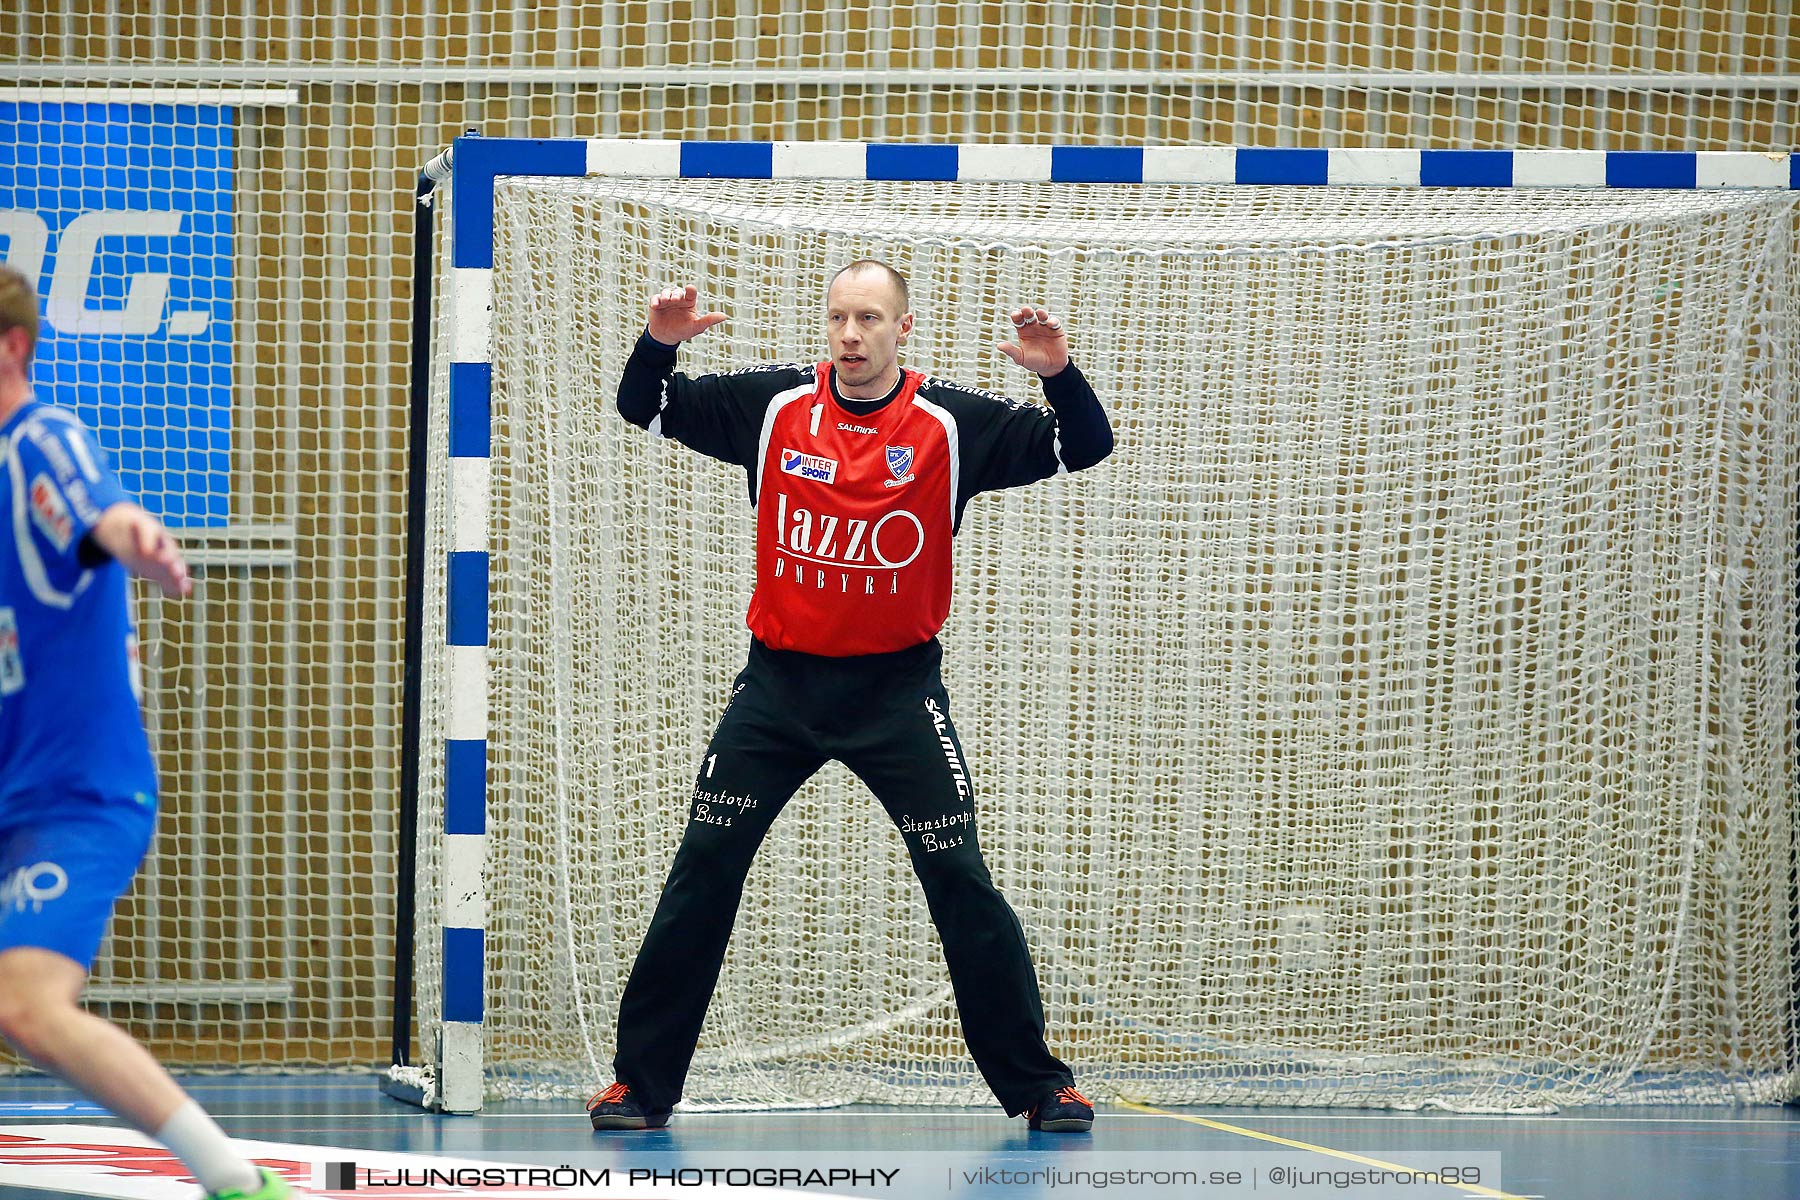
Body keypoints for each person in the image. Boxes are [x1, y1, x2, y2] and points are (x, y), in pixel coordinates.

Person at [586, 260, 1113, 1134]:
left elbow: (1083, 447)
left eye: (869, 318)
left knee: (959, 878)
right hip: (778, 690)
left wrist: (1058, 372)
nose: (850, 335)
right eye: (837, 318)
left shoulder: (951, 422)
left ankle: (1039, 1085)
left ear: (903, 329)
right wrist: (660, 344)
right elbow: (644, 405)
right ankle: (638, 1087)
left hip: (895, 697)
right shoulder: (776, 407)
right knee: (704, 873)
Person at [0, 263, 290, 1200]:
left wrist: (140, 536)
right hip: (14, 791)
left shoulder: (39, 441)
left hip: (72, 799)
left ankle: (236, 1177)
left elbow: (103, 510)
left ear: (11, 349)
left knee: (27, 1011)